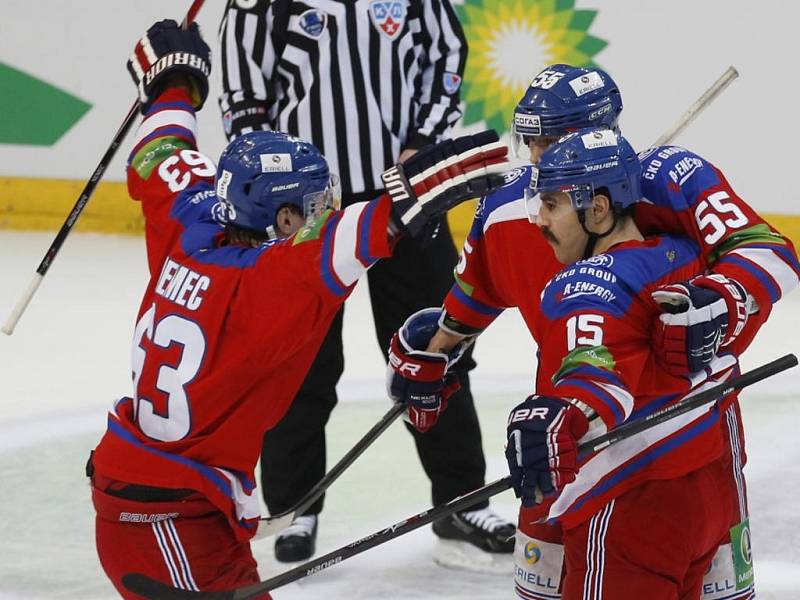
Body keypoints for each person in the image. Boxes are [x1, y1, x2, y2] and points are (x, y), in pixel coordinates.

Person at [86, 20, 509, 596]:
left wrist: (174, 83)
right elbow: (378, 224)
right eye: (311, 206)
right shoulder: (272, 278)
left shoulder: (189, 218)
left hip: (164, 500)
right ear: (282, 220)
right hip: (173, 523)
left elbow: (163, 150)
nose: (320, 213)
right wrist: (481, 169)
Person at [387, 64, 799, 598]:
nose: (539, 158)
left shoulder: (673, 182)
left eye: (553, 140)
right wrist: (434, 352)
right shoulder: (510, 210)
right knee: (551, 586)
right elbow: (471, 300)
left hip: (692, 428)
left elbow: (770, 252)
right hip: (572, 426)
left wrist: (718, 303)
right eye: (531, 141)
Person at [219, 0, 515, 569]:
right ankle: (292, 505)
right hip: (300, 212)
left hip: (403, 197)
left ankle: (460, 497)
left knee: (438, 344)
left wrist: (422, 143)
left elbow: (446, 56)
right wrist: (275, 183)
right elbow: (244, 96)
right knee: (298, 358)